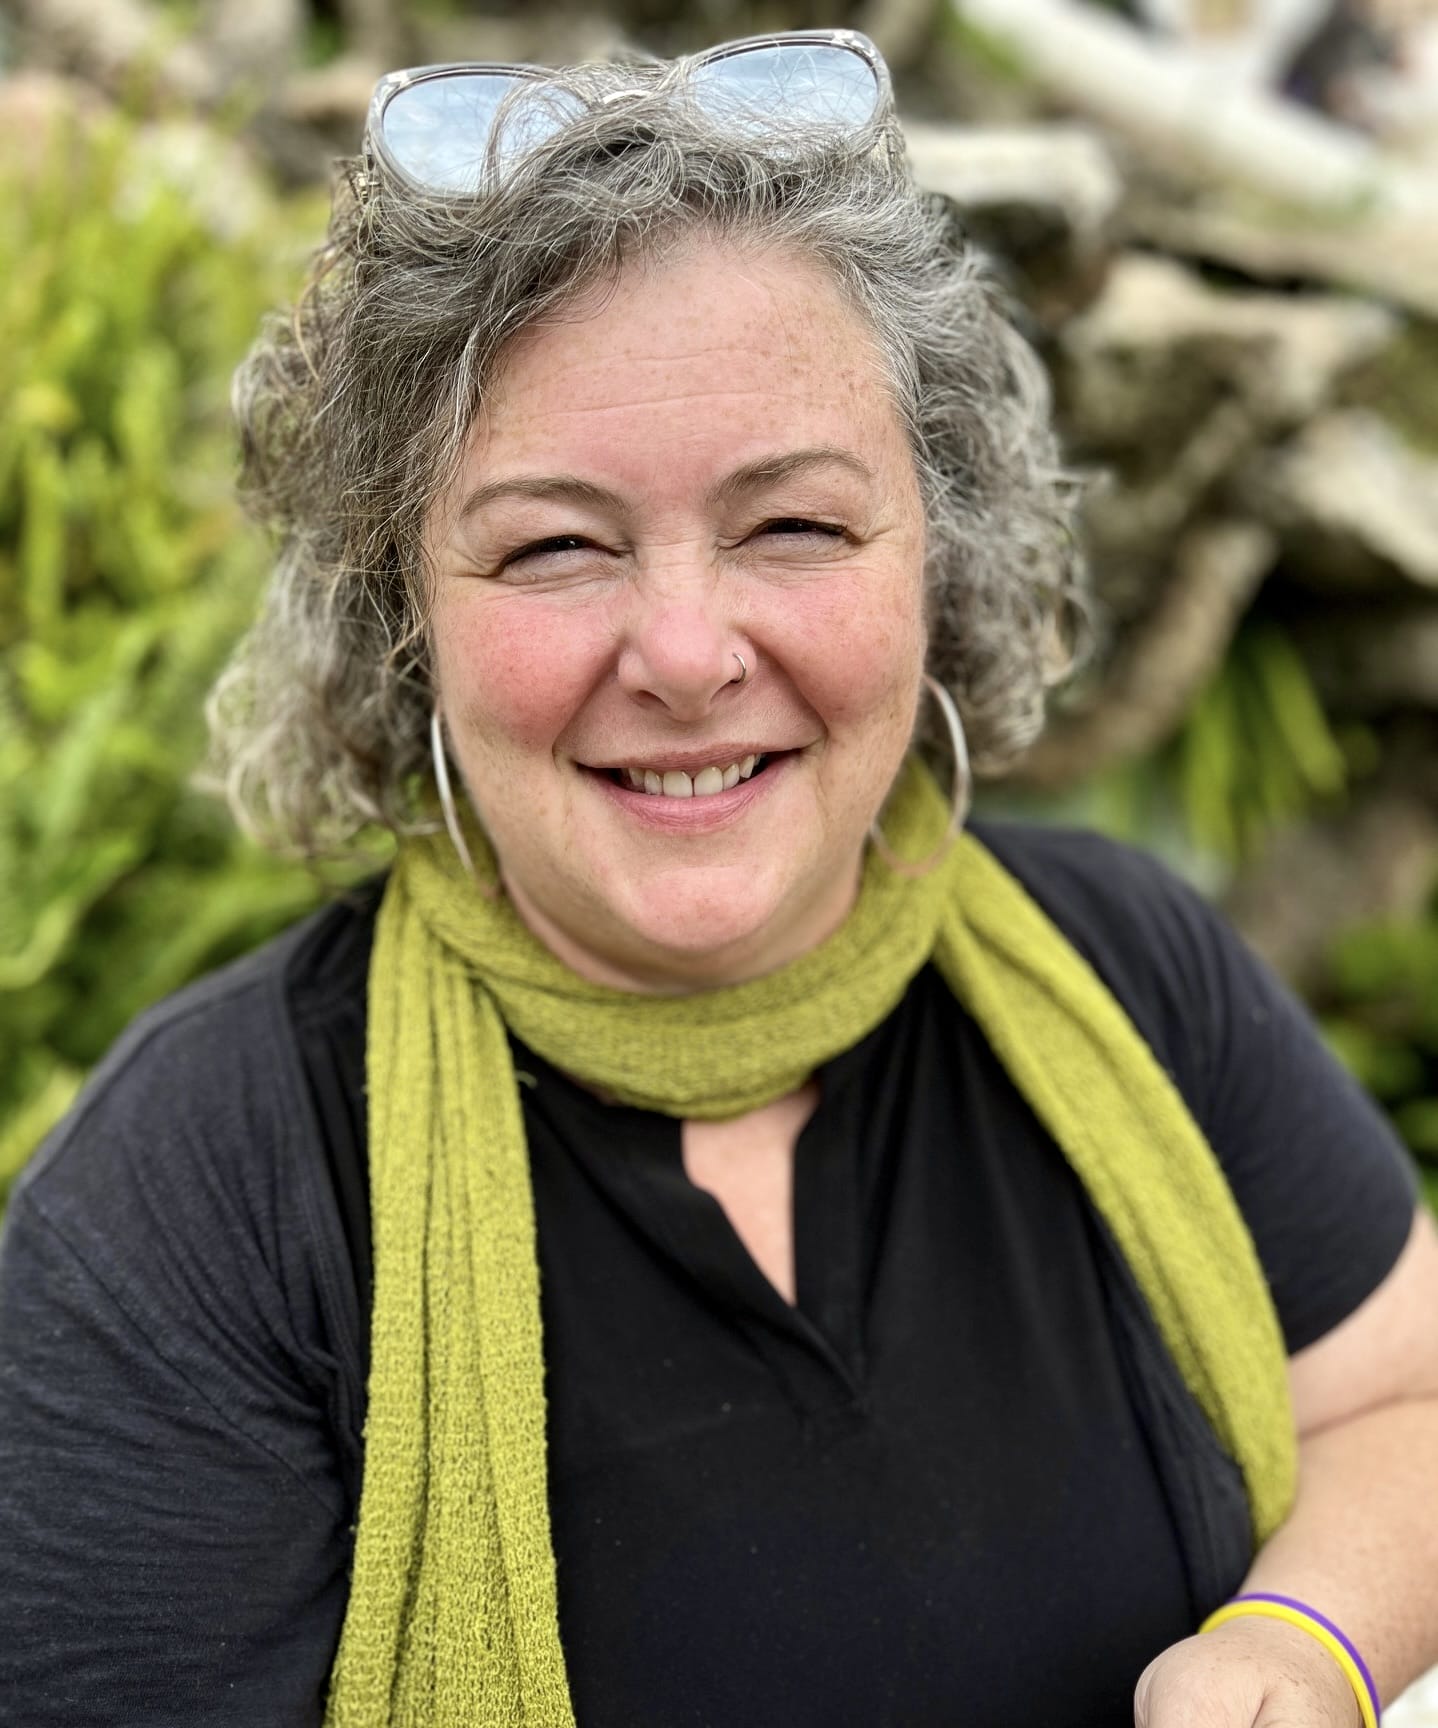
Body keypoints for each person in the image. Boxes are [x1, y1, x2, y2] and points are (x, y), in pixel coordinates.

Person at [1, 30, 1435, 1728]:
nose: (685, 653)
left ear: (938, 551)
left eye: (794, 526)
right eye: (553, 545)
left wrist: (1296, 1652)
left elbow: (1393, 1406)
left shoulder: (1128, 966)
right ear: (403, 619)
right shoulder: (199, 1196)